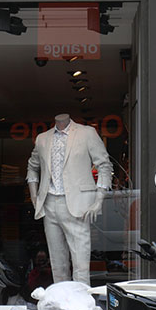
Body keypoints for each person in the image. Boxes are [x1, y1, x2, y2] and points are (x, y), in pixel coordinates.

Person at [26, 113, 112, 285]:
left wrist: (99, 199)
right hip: (49, 203)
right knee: (57, 262)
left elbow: (104, 165)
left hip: (78, 204)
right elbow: (32, 166)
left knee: (80, 262)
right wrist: (34, 196)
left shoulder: (87, 133)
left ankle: (81, 304)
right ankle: (61, 302)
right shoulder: (43, 138)